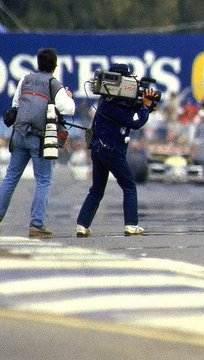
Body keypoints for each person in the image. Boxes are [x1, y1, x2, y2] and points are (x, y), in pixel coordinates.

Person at [74, 64, 160, 237]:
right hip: (113, 151)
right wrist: (145, 106)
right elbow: (135, 123)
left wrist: (143, 105)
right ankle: (131, 224)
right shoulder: (115, 104)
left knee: (96, 189)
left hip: (98, 149)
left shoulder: (105, 100)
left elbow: (127, 110)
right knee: (129, 186)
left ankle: (82, 225)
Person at [0, 48, 76, 237]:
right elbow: (69, 109)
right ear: (55, 66)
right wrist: (68, 96)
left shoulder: (25, 80)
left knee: (10, 177)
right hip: (40, 138)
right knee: (43, 180)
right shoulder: (53, 84)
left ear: (38, 63)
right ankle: (37, 224)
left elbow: (16, 104)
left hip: (18, 135)